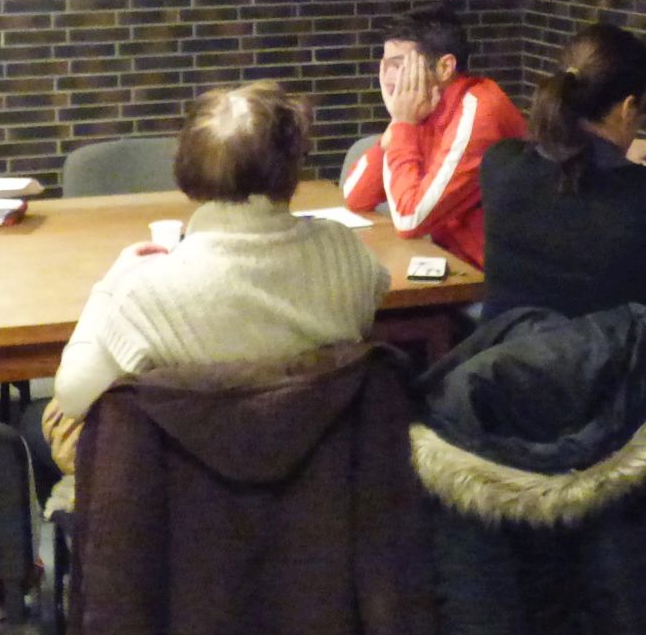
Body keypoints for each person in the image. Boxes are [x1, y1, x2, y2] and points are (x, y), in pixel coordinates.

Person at [42, 82, 389, 473]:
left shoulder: (145, 292)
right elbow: (371, 300)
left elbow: (73, 396)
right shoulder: (345, 252)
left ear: (186, 167)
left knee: (59, 417)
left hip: (185, 487)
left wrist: (108, 287)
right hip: (319, 479)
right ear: (294, 166)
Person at [480, 21, 646, 349]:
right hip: (607, 377)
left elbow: (566, 179)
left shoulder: (500, 164)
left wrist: (619, 161)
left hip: (505, 370)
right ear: (628, 109)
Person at [341, 4, 526, 268]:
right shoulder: (423, 108)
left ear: (444, 67)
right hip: (453, 262)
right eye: (385, 65)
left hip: (493, 277)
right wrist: (398, 124)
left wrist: (402, 124)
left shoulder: (479, 111)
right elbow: (355, 198)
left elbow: (410, 219)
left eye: (399, 65)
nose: (389, 77)